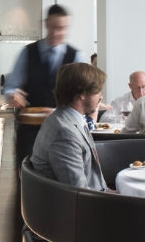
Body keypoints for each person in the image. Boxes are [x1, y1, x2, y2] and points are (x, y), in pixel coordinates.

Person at [3, 4, 89, 166]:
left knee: (60, 180)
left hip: (64, 132)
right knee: (27, 179)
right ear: (45, 24)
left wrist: (59, 112)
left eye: (62, 28)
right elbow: (10, 86)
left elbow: (84, 96)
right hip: (30, 132)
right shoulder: (27, 53)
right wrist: (12, 95)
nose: (57, 33)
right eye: (53, 27)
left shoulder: (76, 56)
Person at [29, 63, 108, 192]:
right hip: (85, 206)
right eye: (98, 91)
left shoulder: (65, 119)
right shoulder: (64, 132)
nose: (101, 96)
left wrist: (109, 191)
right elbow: (79, 193)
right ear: (82, 93)